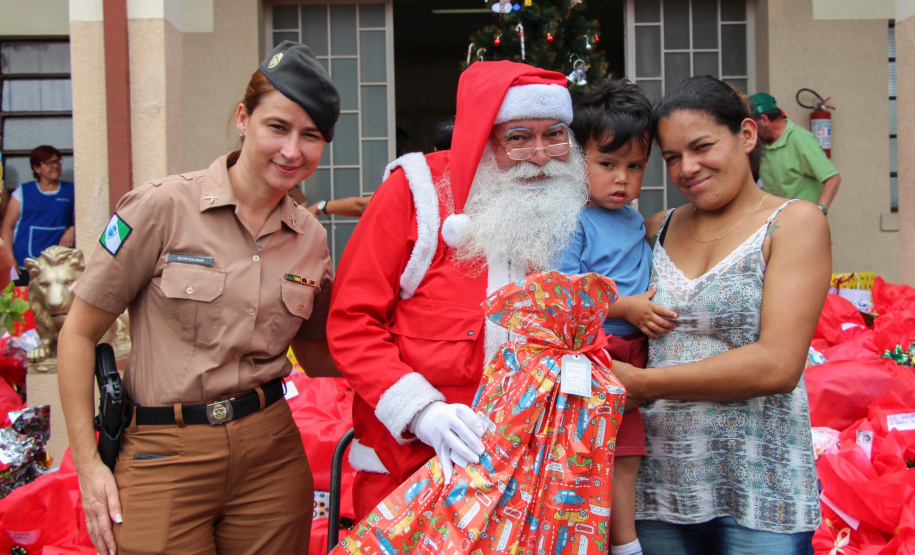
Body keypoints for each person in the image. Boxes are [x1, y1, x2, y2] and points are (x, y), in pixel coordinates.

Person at [57, 41, 340, 555]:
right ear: (242, 119)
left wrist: (415, 369)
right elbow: (77, 333)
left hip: (271, 457)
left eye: (311, 136)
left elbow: (320, 352)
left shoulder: (311, 239)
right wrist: (87, 464)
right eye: (277, 127)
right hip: (163, 454)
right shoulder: (161, 207)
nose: (292, 150)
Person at [327, 61, 590, 518]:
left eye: (555, 134)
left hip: (518, 481)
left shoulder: (554, 205)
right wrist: (422, 413)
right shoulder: (415, 193)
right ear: (483, 136)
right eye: (519, 136)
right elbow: (351, 322)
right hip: (407, 478)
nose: (542, 153)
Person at [612, 76, 830, 554]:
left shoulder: (794, 223)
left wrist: (643, 385)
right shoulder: (656, 228)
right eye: (671, 157)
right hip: (657, 493)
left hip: (759, 490)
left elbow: (778, 365)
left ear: (747, 135)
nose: (687, 168)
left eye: (701, 146)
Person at [557, 75, 677, 555]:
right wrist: (626, 306)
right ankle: (624, 545)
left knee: (630, 453)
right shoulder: (573, 220)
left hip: (640, 348)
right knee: (619, 455)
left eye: (635, 166)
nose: (623, 179)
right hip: (601, 352)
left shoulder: (629, 215)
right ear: (576, 159)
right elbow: (566, 294)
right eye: (606, 164)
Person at [749, 92, 840, 216]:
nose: (751, 132)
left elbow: (833, 178)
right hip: (776, 223)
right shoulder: (764, 146)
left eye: (753, 126)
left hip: (803, 224)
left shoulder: (800, 139)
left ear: (764, 120)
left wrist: (819, 211)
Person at [1, 145, 75, 286]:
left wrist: (72, 229)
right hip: (24, 264)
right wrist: (10, 260)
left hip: (56, 264)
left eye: (58, 161)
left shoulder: (71, 190)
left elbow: (85, 217)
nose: (56, 166)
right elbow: (7, 226)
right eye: (50, 163)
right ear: (36, 168)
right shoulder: (22, 192)